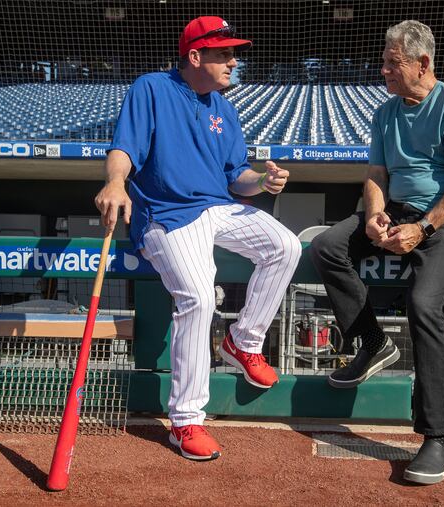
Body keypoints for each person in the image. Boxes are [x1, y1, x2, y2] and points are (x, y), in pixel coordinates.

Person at [94, 16, 302, 461]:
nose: (233, 61)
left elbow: (236, 178)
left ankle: (243, 343)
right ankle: (186, 420)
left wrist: (263, 184)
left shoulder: (224, 108)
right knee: (199, 297)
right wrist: (115, 184)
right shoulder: (151, 88)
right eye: (224, 53)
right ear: (195, 55)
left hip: (216, 207)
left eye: (233, 53)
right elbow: (124, 148)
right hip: (166, 214)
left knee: (285, 245)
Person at [309, 20, 444, 485]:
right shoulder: (385, 112)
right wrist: (373, 215)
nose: (383, 70)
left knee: (424, 302)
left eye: (393, 62)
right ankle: (372, 342)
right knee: (327, 246)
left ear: (423, 63)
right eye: (384, 61)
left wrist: (422, 228)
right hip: (397, 212)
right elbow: (376, 175)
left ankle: (438, 437)